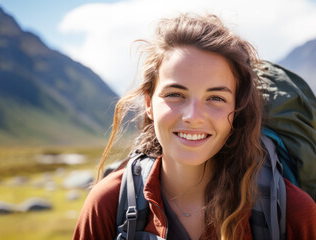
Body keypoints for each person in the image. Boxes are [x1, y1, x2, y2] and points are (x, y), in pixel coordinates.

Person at [73, 13, 316, 240]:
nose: (194, 116)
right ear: (148, 103)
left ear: (237, 110)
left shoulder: (293, 212)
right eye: (176, 94)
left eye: (216, 98)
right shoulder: (107, 204)